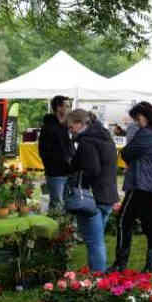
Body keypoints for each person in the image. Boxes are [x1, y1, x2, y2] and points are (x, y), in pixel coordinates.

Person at [111, 101, 152, 274]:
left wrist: (133, 158)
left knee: (124, 221)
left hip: (141, 185)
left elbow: (126, 153)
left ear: (146, 116)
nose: (137, 123)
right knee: (150, 224)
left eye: (137, 119)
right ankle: (151, 267)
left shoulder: (145, 133)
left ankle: (119, 265)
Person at [66, 109, 118, 273]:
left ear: (80, 123)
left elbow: (92, 170)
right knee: (97, 239)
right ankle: (96, 274)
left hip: (92, 198)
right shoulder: (105, 137)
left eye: (71, 126)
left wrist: (76, 175)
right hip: (108, 195)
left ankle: (97, 279)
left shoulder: (87, 142)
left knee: (94, 242)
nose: (70, 130)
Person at [39, 95, 74, 210]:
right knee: (57, 204)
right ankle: (54, 226)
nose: (70, 109)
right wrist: (58, 164)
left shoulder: (65, 127)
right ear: (59, 108)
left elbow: (69, 148)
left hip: (68, 172)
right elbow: (43, 152)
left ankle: (65, 227)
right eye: (67, 106)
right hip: (55, 173)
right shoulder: (48, 128)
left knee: (67, 203)